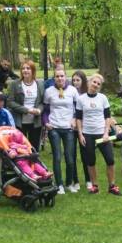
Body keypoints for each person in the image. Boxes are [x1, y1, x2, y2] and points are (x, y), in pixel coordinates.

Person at [75, 73, 122, 196]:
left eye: (98, 84)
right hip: (87, 134)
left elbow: (107, 117)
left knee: (110, 160)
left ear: (100, 86)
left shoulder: (102, 98)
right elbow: (78, 118)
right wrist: (80, 134)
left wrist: (106, 132)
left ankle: (112, 186)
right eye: (94, 82)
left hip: (102, 134)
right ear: (89, 82)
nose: (95, 85)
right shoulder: (81, 99)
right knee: (90, 161)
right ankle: (94, 186)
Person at [44, 66, 80, 194]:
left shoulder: (73, 90)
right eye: (57, 76)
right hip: (54, 128)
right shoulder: (49, 91)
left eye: (62, 76)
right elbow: (45, 110)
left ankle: (69, 183)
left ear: (66, 77)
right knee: (57, 157)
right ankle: (59, 184)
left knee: (70, 158)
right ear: (54, 78)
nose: (60, 78)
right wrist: (46, 122)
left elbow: (78, 108)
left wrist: (74, 119)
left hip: (68, 128)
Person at [6, 60, 44, 152]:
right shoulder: (15, 84)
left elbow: (42, 102)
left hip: (35, 122)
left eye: (28, 68)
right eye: (23, 68)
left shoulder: (40, 84)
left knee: (34, 148)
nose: (25, 70)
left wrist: (39, 110)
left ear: (33, 70)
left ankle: (33, 161)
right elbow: (10, 102)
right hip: (19, 122)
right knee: (19, 148)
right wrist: (27, 110)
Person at [71, 70, 92, 189]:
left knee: (85, 154)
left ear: (83, 81)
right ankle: (75, 180)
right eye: (73, 80)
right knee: (72, 155)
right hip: (71, 128)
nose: (75, 82)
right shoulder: (69, 92)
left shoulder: (87, 94)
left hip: (84, 128)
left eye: (78, 80)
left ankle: (88, 179)